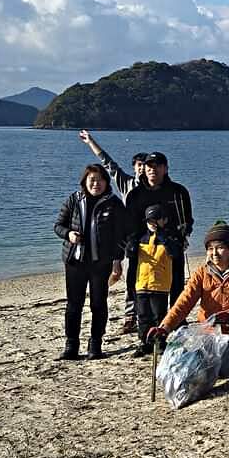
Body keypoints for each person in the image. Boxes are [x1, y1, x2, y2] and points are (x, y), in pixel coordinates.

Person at [149, 221, 229, 378]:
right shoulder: (201, 274)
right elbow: (184, 303)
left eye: (220, 247)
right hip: (209, 333)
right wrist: (164, 327)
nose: (214, 253)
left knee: (225, 371)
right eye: (210, 249)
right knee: (196, 367)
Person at [53, 164, 130, 360]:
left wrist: (117, 260)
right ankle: (71, 345)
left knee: (98, 304)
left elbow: (122, 235)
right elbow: (58, 226)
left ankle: (95, 344)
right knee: (73, 305)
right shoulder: (74, 199)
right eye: (92, 180)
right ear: (85, 182)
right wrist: (68, 234)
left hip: (100, 263)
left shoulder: (113, 203)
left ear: (106, 182)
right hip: (75, 261)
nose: (96, 184)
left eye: (100, 180)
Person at [79, 130, 148, 333]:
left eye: (146, 166)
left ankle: (151, 315)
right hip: (131, 240)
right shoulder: (125, 182)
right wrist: (91, 141)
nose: (143, 169)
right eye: (139, 166)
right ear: (134, 168)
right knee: (131, 279)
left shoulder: (155, 186)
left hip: (152, 239)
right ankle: (130, 317)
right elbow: (107, 162)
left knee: (152, 279)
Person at [124, 151, 194, 307]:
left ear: (166, 169)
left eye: (158, 166)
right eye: (149, 166)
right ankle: (137, 314)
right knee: (137, 281)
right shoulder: (135, 194)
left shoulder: (178, 192)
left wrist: (185, 230)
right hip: (144, 246)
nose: (152, 169)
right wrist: (131, 242)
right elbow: (128, 223)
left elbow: (188, 218)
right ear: (144, 168)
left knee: (176, 283)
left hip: (171, 244)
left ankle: (177, 318)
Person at [129, 204, 184, 356]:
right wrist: (131, 246)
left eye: (156, 219)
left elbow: (175, 253)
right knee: (142, 315)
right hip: (142, 282)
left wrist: (163, 237)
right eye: (149, 220)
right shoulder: (141, 237)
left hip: (160, 284)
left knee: (158, 315)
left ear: (164, 220)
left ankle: (160, 342)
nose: (152, 223)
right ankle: (145, 343)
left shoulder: (170, 236)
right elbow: (131, 256)